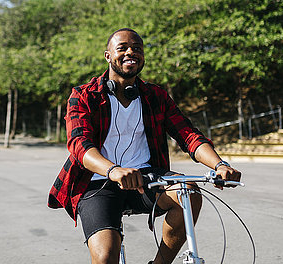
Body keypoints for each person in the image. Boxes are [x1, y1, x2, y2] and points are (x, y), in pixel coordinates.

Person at [48, 28, 241, 264]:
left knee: (187, 191)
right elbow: (80, 145)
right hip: (98, 182)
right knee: (106, 257)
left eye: (137, 48)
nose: (131, 52)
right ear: (108, 56)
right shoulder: (84, 96)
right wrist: (113, 170)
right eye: (123, 48)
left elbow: (187, 134)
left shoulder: (155, 96)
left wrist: (219, 164)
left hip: (146, 178)